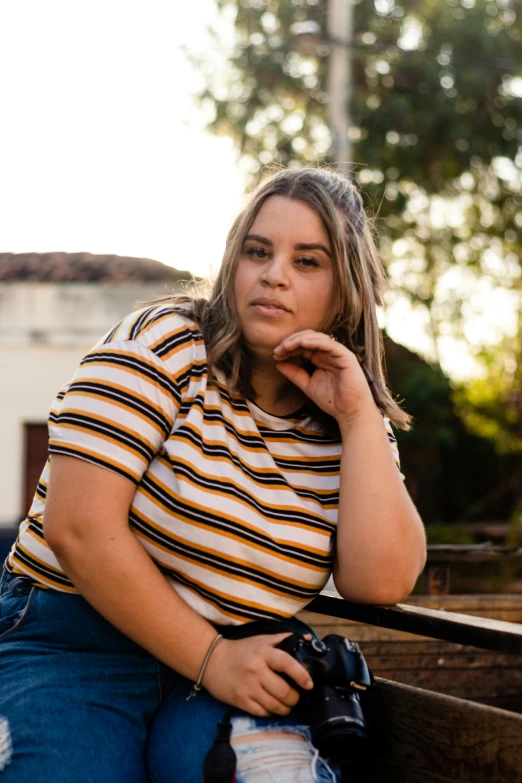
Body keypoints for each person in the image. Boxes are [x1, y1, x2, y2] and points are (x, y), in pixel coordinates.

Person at [0, 167, 426, 782]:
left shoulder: (347, 410)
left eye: (308, 262)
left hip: (241, 660)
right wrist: (211, 659)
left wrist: (360, 418)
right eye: (258, 251)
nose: (274, 274)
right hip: (74, 641)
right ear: (233, 262)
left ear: (345, 292)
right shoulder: (166, 341)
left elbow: (379, 580)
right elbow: (79, 528)